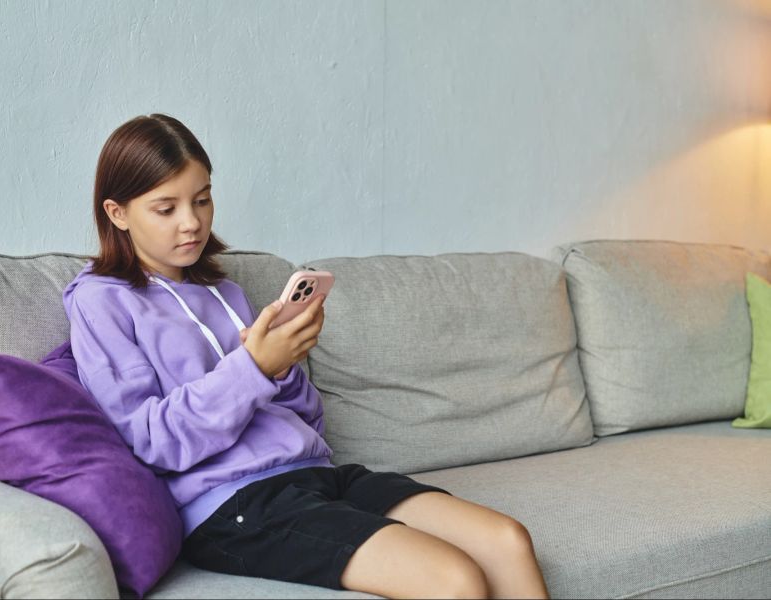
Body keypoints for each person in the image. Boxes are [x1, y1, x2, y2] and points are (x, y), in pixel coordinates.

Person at [63, 113, 550, 599]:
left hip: (315, 474)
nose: (192, 222)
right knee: (453, 578)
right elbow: (150, 440)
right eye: (165, 208)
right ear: (117, 212)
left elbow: (307, 420)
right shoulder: (100, 301)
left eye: (202, 199)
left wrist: (283, 363)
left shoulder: (225, 292)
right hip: (232, 505)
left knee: (506, 542)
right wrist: (252, 368)